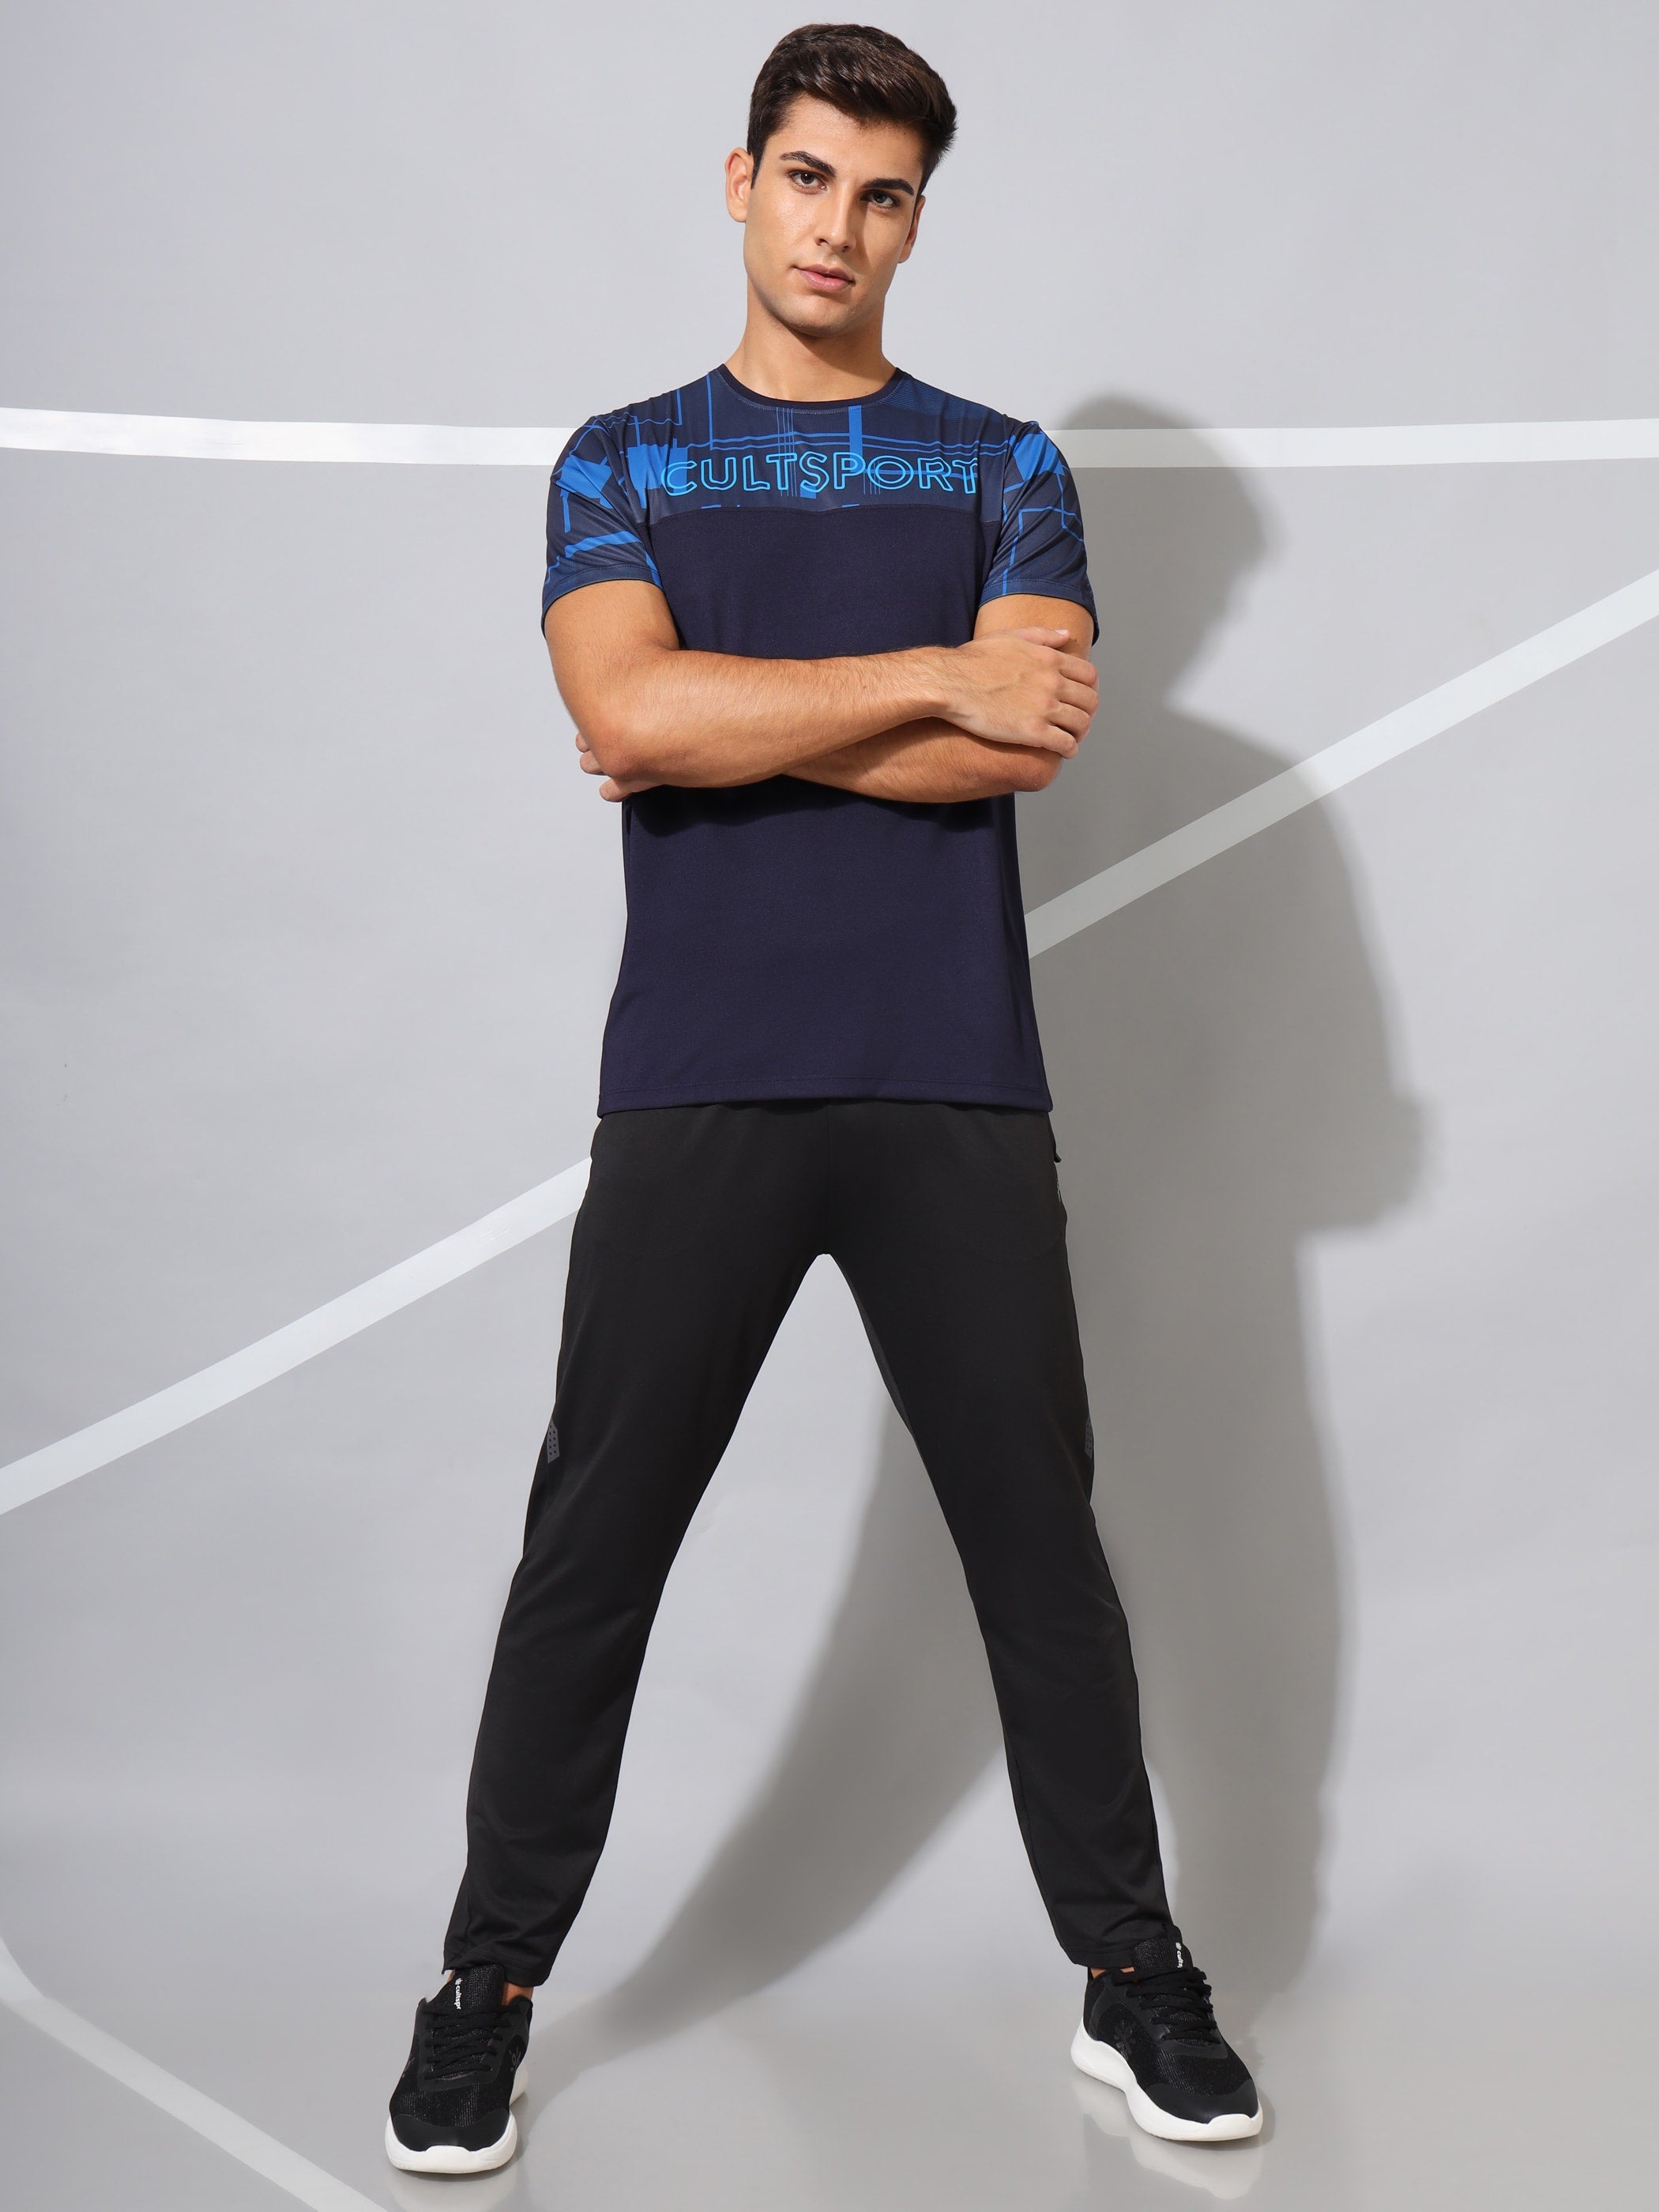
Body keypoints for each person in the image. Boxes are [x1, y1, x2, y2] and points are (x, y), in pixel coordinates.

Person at [386, 21, 1262, 2175]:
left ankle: (1129, 1972)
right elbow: (630, 712)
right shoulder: (622, 459)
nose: (837, 227)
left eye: (881, 195)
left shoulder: (1001, 467)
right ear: (740, 182)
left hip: (951, 1075)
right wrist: (922, 673)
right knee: (591, 1547)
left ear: (916, 220)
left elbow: (1013, 741)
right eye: (806, 178)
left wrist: (731, 715)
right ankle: (486, 1987)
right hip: (699, 1078)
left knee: (1038, 1550)